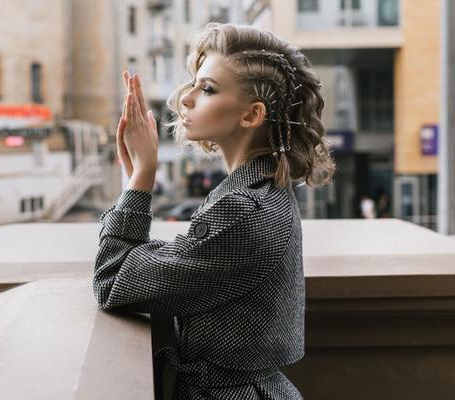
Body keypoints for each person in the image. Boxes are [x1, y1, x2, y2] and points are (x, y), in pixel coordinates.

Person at [94, 22, 336, 399]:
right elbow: (187, 258)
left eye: (207, 89)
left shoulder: (243, 211)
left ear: (251, 115)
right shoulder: (265, 190)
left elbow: (113, 281)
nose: (185, 98)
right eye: (194, 82)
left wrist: (141, 178)